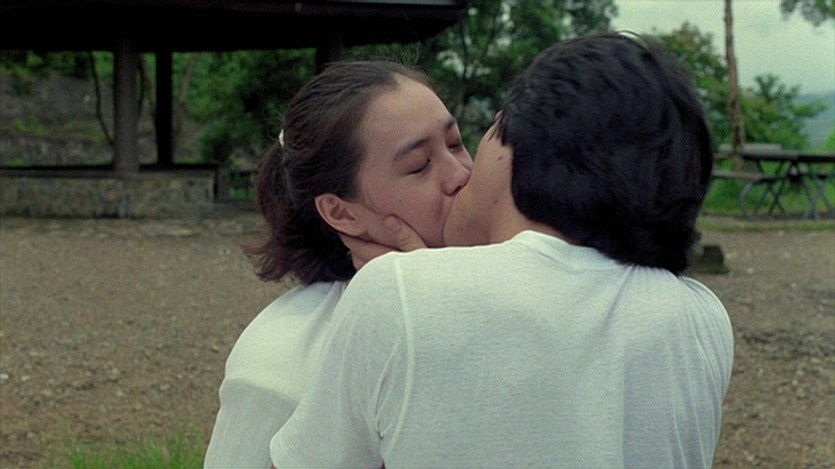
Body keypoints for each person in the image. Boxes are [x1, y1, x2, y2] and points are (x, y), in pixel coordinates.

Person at [270, 32, 734, 467]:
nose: (460, 172)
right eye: (419, 165)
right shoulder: (703, 317)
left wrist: (426, 296)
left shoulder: (398, 293)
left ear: (520, 151)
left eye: (466, 140)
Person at [203, 60, 471, 467]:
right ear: (341, 212)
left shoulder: (513, 280)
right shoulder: (282, 365)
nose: (461, 174)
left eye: (456, 144)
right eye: (419, 165)